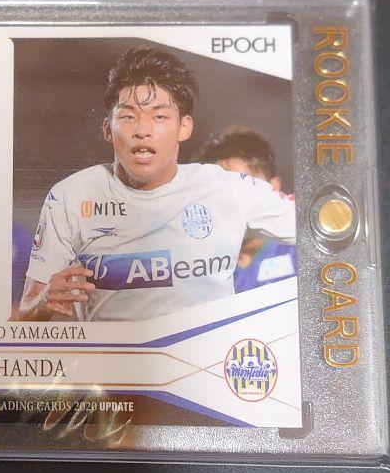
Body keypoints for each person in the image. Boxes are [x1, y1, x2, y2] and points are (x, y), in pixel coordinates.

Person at [19, 46, 295, 321]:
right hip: (112, 350)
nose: (142, 130)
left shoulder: (229, 189)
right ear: (107, 128)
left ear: (184, 127)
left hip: (204, 349)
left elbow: (314, 224)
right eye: (127, 116)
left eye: (159, 116)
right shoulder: (69, 197)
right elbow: (23, 320)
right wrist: (42, 304)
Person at [197, 129, 298, 293]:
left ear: (274, 188)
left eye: (243, 187)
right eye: (219, 190)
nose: (230, 200)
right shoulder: (194, 267)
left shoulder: (303, 252)